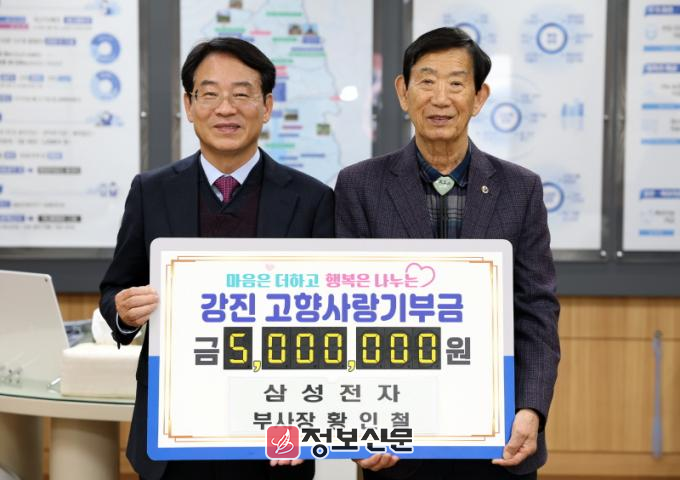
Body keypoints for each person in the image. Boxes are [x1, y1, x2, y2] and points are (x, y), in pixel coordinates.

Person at [99, 37, 333, 480]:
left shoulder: (312, 199)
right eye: (209, 94)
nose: (226, 108)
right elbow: (115, 289)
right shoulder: (151, 191)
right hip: (175, 428)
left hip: (275, 430)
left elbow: (331, 318)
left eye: (242, 94)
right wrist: (124, 314)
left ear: (267, 106)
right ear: (189, 106)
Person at [334, 27, 560, 480]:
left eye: (456, 83)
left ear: (479, 97)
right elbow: (343, 311)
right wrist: (358, 421)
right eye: (426, 81)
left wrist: (531, 408)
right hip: (395, 435)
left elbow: (536, 309)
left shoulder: (520, 189)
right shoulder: (360, 185)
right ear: (403, 92)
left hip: (498, 434)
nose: (441, 98)